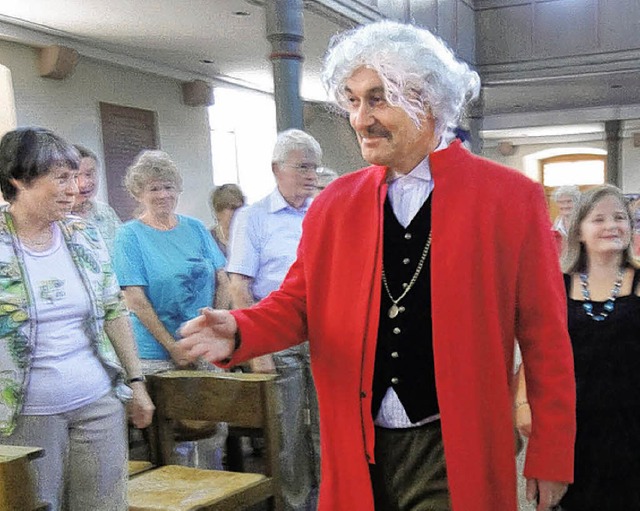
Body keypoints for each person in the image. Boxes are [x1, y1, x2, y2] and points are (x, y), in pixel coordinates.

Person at [179, 21, 575, 511]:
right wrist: (239, 329)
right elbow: (301, 302)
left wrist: (551, 452)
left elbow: (545, 338)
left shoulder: (509, 198)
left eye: (376, 99)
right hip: (359, 446)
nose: (359, 118)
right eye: (351, 101)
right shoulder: (335, 205)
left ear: (427, 101)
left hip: (453, 446)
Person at [0, 127, 154, 510]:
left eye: (78, 177)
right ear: (19, 179)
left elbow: (113, 310)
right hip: (25, 415)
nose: (76, 188)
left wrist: (136, 383)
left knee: (104, 504)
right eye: (62, 178)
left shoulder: (83, 235)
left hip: (97, 402)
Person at [113, 149, 229, 467]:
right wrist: (174, 347)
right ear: (139, 193)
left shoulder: (195, 229)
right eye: (154, 188)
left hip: (203, 345)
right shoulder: (128, 236)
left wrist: (211, 330)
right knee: (172, 441)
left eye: (168, 187)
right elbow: (134, 299)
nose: (163, 194)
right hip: (156, 354)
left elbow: (222, 279)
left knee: (212, 431)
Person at [226, 128, 322, 511]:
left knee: (331, 426)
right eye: (302, 167)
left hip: (326, 332)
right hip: (277, 332)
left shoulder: (324, 210)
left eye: (314, 167)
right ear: (276, 169)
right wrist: (256, 348)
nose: (311, 175)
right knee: (287, 432)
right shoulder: (252, 218)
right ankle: (296, 505)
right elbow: (238, 287)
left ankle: (333, 501)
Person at [558, 185, 640, 510]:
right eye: (599, 219)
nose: (611, 226)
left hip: (632, 425)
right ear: (579, 230)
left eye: (620, 218)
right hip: (576, 429)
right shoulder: (557, 285)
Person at [71, 145, 122, 255]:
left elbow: (123, 251)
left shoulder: (106, 212)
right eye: (76, 176)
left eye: (89, 174)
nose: (84, 183)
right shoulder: (56, 218)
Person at [209, 183, 245, 257]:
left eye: (239, 207)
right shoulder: (208, 239)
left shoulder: (252, 235)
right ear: (218, 212)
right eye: (232, 208)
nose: (236, 213)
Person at [551, 185, 580, 256]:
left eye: (569, 201)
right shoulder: (553, 229)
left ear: (577, 202)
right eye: (561, 202)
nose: (565, 206)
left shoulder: (584, 224)